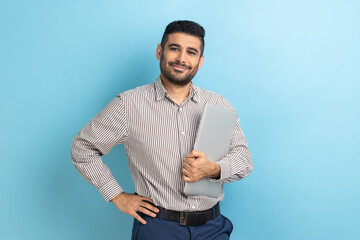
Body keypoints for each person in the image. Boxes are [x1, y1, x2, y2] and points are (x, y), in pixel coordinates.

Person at [71, 20, 253, 240]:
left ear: (200, 61)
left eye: (191, 52)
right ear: (160, 51)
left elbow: (243, 159)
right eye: (174, 48)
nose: (182, 59)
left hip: (212, 228)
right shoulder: (128, 105)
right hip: (158, 229)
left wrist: (214, 169)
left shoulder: (219, 104)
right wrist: (117, 196)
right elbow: (83, 148)